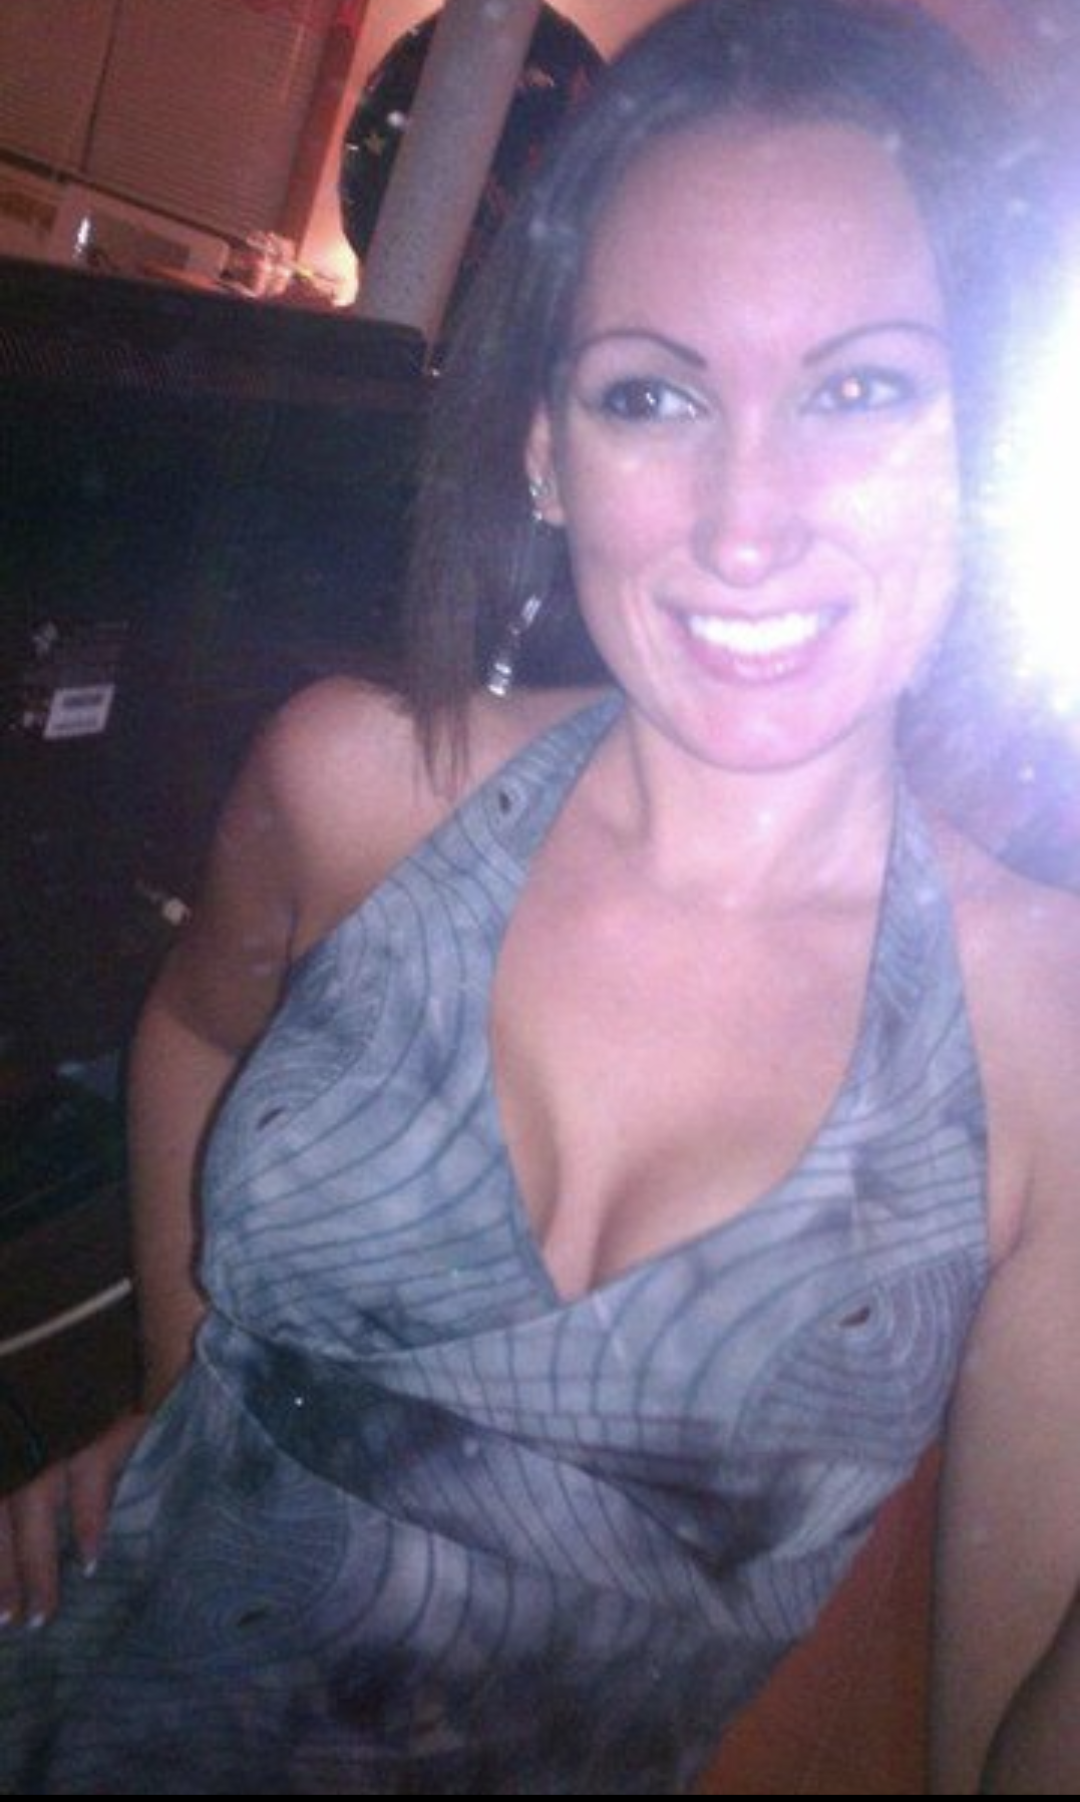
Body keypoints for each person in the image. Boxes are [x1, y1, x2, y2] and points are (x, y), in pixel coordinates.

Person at [1, 0, 1078, 1791]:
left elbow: (1001, 1730)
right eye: (652, 394)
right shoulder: (357, 785)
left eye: (860, 390)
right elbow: (192, 1029)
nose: (748, 524)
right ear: (541, 450)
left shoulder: (1046, 1031)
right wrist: (185, 1395)